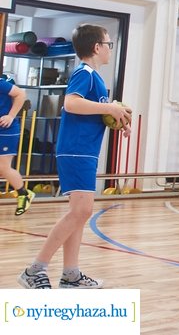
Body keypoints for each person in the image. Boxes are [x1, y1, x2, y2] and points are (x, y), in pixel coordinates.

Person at [18, 24, 131, 289]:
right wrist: (108, 107)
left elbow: (100, 112)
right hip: (76, 150)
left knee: (79, 213)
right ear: (97, 47)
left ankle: (71, 274)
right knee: (82, 210)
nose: (109, 49)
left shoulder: (96, 79)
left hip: (84, 151)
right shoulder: (85, 73)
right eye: (108, 44)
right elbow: (71, 103)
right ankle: (35, 269)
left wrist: (119, 117)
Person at [1, 75, 33, 215]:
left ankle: (24, 194)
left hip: (6, 131)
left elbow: (21, 94)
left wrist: (11, 116)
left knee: (3, 167)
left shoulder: (2, 84)